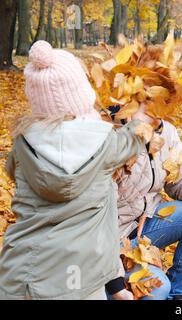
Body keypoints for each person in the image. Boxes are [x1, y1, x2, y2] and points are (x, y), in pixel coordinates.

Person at [0, 41, 149, 300]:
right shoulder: (106, 144)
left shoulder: (21, 146)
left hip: (18, 275)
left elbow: (12, 171)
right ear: (81, 92)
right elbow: (137, 134)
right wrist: (142, 109)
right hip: (77, 281)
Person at [106, 102, 182, 300]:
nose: (158, 106)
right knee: (156, 289)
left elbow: (181, 175)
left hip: (146, 224)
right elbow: (96, 217)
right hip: (110, 242)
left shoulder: (165, 131)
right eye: (149, 97)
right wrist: (114, 284)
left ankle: (178, 296)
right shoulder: (109, 131)